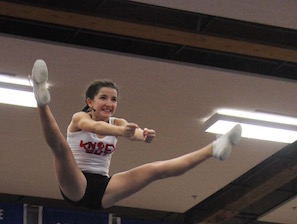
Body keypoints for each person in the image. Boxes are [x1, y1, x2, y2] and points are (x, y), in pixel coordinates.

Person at [30, 59, 242, 211]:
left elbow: (134, 133)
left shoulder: (119, 122)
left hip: (105, 188)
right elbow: (96, 128)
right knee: (61, 149)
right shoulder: (80, 119)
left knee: (155, 170)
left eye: (113, 100)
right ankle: (42, 99)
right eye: (103, 98)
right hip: (76, 184)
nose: (109, 104)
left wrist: (143, 135)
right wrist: (121, 131)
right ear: (90, 102)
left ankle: (214, 148)